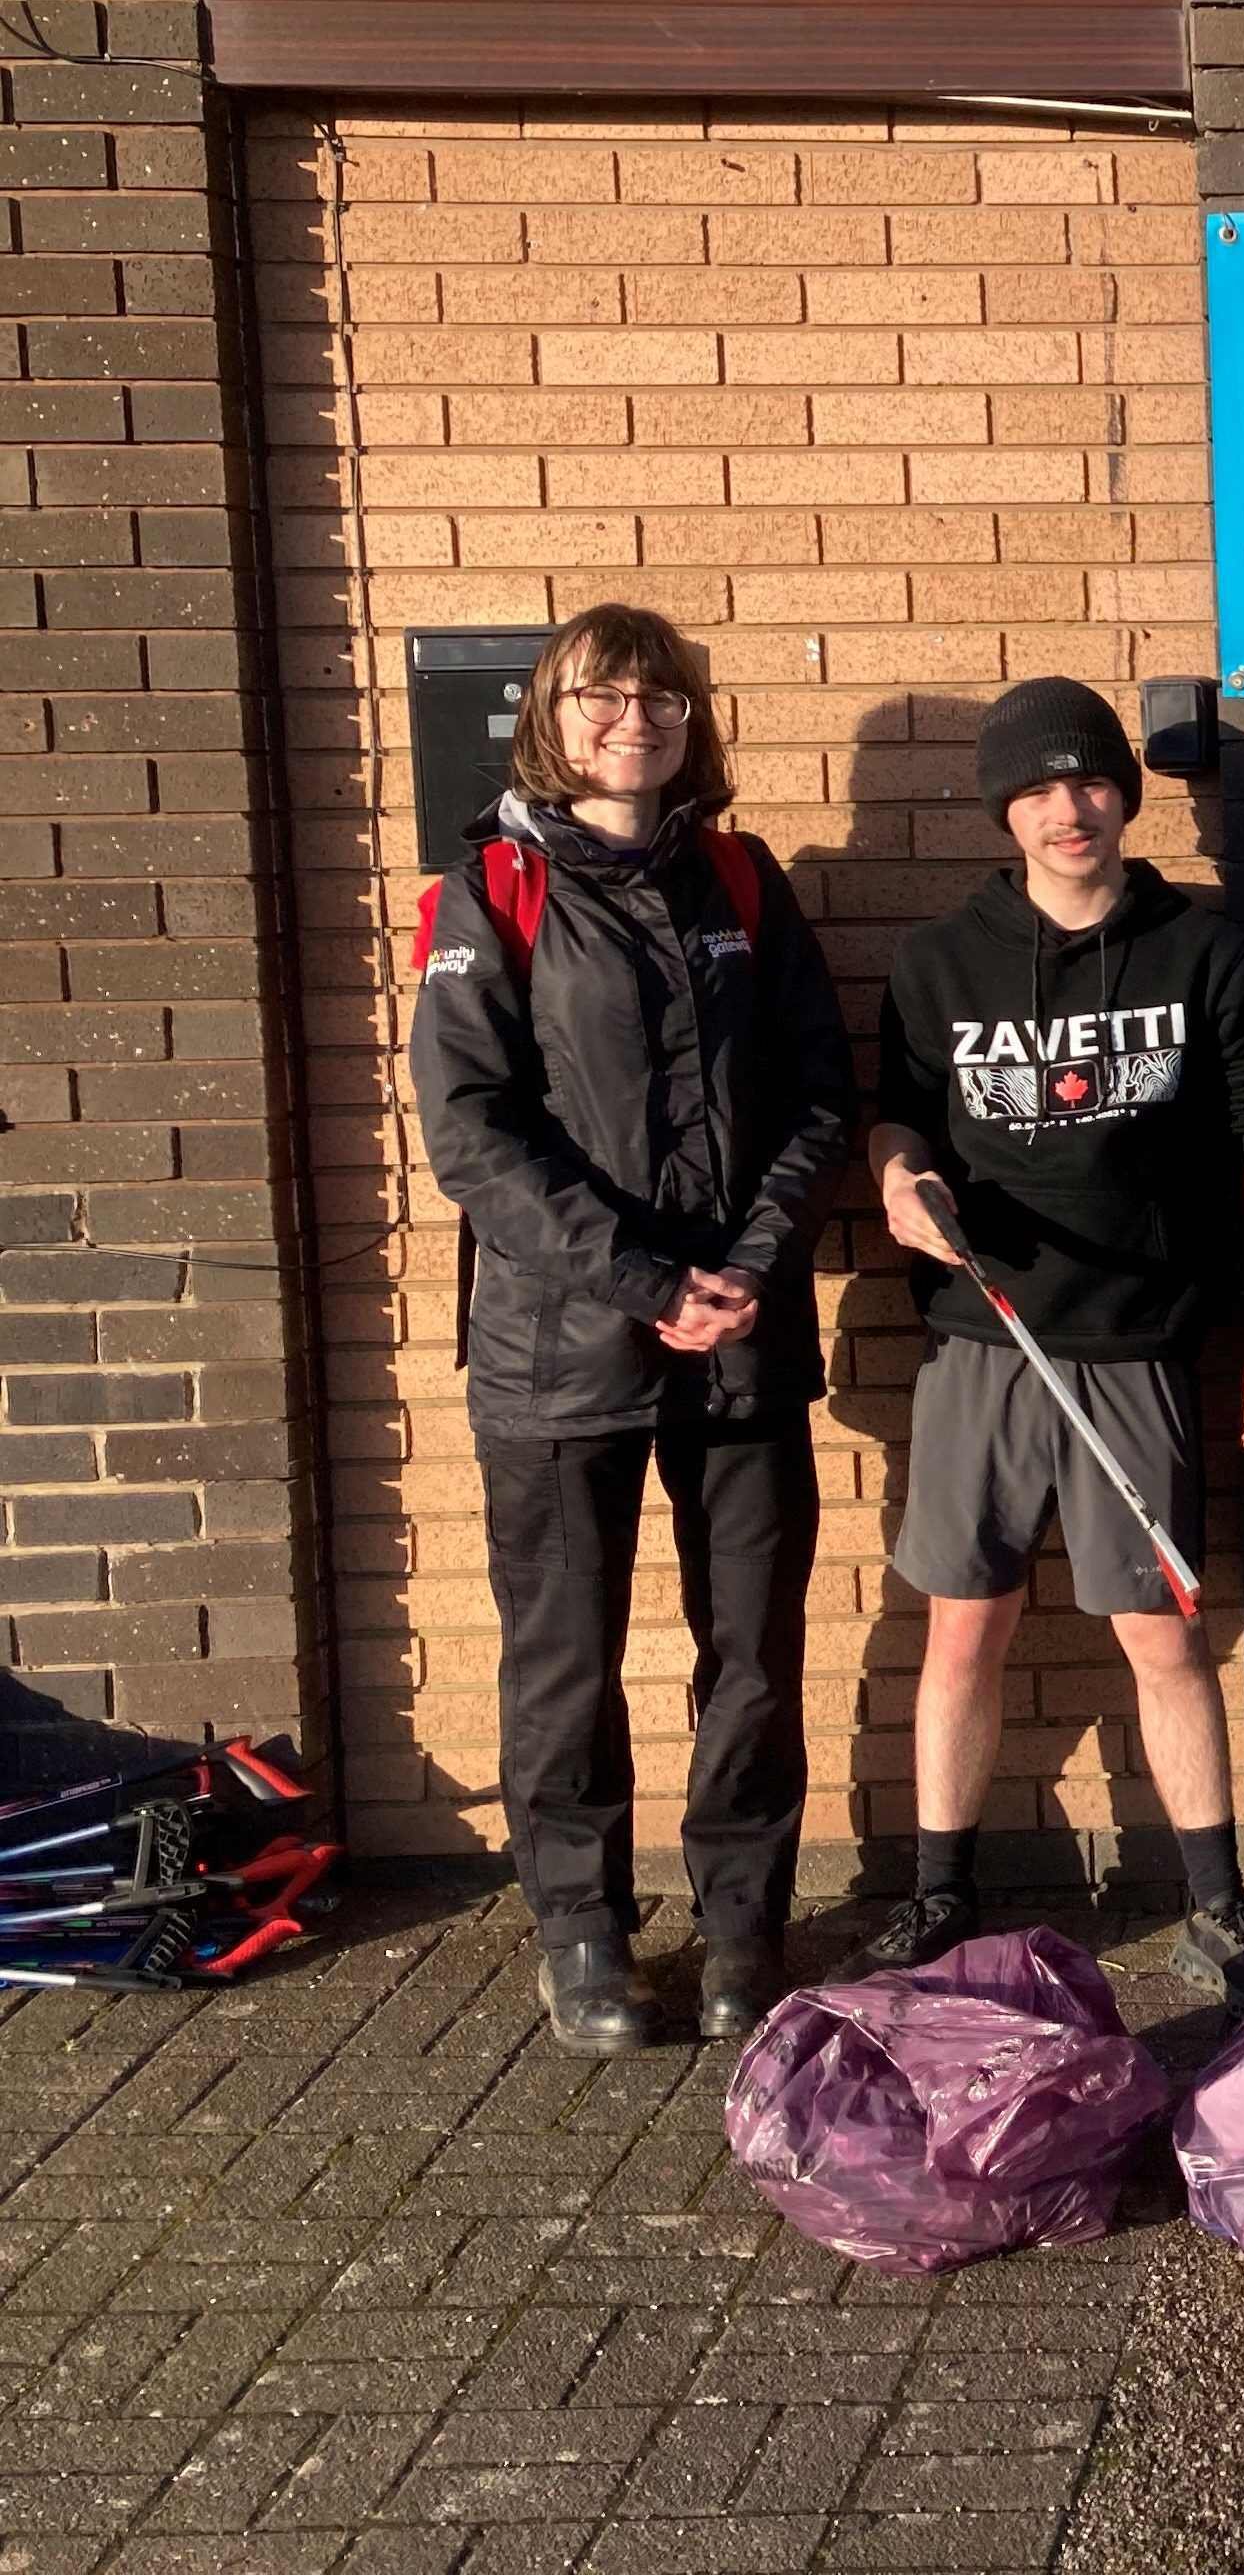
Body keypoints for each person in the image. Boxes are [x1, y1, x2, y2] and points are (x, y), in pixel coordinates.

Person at [408, 605, 855, 2053]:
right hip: (560, 1352)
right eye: (602, 694)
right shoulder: (488, 889)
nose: (634, 718)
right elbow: (471, 1134)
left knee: (753, 1655)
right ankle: (584, 1935)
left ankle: (741, 1933)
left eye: (662, 697)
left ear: (692, 723)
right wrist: (646, 1281)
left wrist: (747, 1261)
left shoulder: (742, 878)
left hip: (739, 1342)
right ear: (552, 711)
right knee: (564, 1657)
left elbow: (816, 1091)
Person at [848, 677, 1244, 2001]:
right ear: (1008, 806)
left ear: (1127, 792)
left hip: (1139, 1352)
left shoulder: (1204, 952)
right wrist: (897, 1182)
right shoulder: (942, 960)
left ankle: (1219, 1901)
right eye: (1042, 788)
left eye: (1092, 781)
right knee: (963, 1632)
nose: (1071, 808)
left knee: (1164, 1638)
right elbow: (901, 1120)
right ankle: (941, 1894)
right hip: (983, 1348)